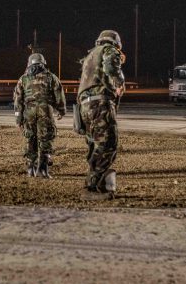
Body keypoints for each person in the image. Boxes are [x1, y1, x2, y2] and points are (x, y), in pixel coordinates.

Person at [77, 30, 125, 200]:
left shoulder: (90, 56)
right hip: (100, 103)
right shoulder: (109, 50)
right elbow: (111, 66)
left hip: (85, 106)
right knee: (108, 143)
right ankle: (93, 187)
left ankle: (95, 182)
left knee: (95, 144)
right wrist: (119, 83)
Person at [14, 53, 66, 178]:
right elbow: (59, 94)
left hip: (29, 111)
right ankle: (43, 169)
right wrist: (61, 109)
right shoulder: (51, 77)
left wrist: (18, 116)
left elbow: (18, 98)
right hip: (45, 110)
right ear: (43, 63)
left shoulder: (23, 78)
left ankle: (30, 168)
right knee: (45, 137)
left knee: (30, 137)